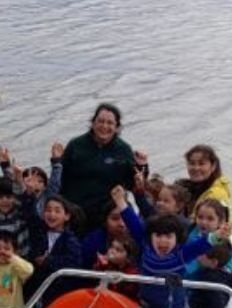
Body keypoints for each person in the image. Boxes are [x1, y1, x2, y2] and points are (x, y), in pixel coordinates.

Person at [112, 185, 231, 308]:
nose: (163, 241)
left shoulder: (181, 254)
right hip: (145, 305)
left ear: (177, 239)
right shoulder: (146, 246)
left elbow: (203, 244)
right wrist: (120, 201)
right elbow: (133, 224)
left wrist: (219, 235)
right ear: (150, 237)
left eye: (168, 236)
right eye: (158, 235)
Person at [60, 104, 145, 234]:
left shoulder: (123, 150)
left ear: (117, 127)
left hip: (104, 218)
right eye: (100, 121)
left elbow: (133, 183)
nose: (104, 126)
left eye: (110, 123)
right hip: (74, 214)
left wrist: (142, 166)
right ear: (93, 123)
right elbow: (61, 178)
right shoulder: (76, 145)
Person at [25, 195, 84, 305]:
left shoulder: (70, 239)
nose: (52, 214)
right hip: (37, 288)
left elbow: (74, 263)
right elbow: (30, 215)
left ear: (66, 216)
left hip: (59, 291)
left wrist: (48, 261)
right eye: (48, 210)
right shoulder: (39, 233)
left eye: (57, 211)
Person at [186, 242, 232, 308]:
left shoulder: (211, 280)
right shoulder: (230, 274)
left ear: (214, 262)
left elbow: (217, 305)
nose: (197, 255)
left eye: (200, 254)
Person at [176, 144, 232, 218]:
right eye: (192, 163)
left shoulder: (216, 194)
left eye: (201, 164)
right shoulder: (185, 187)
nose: (196, 168)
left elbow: (202, 224)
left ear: (213, 166)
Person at [184, 198, 232, 275]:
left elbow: (227, 272)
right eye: (200, 217)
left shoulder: (226, 247)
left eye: (210, 219)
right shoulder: (188, 234)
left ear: (220, 222)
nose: (204, 222)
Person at [80, 198, 131, 269]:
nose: (122, 224)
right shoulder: (92, 241)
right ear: (105, 221)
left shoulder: (137, 238)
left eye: (126, 218)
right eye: (115, 218)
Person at [23, 142, 64, 219]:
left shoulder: (49, 194)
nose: (35, 184)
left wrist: (56, 161)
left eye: (40, 181)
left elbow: (55, 180)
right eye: (30, 180)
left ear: (45, 185)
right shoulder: (24, 197)